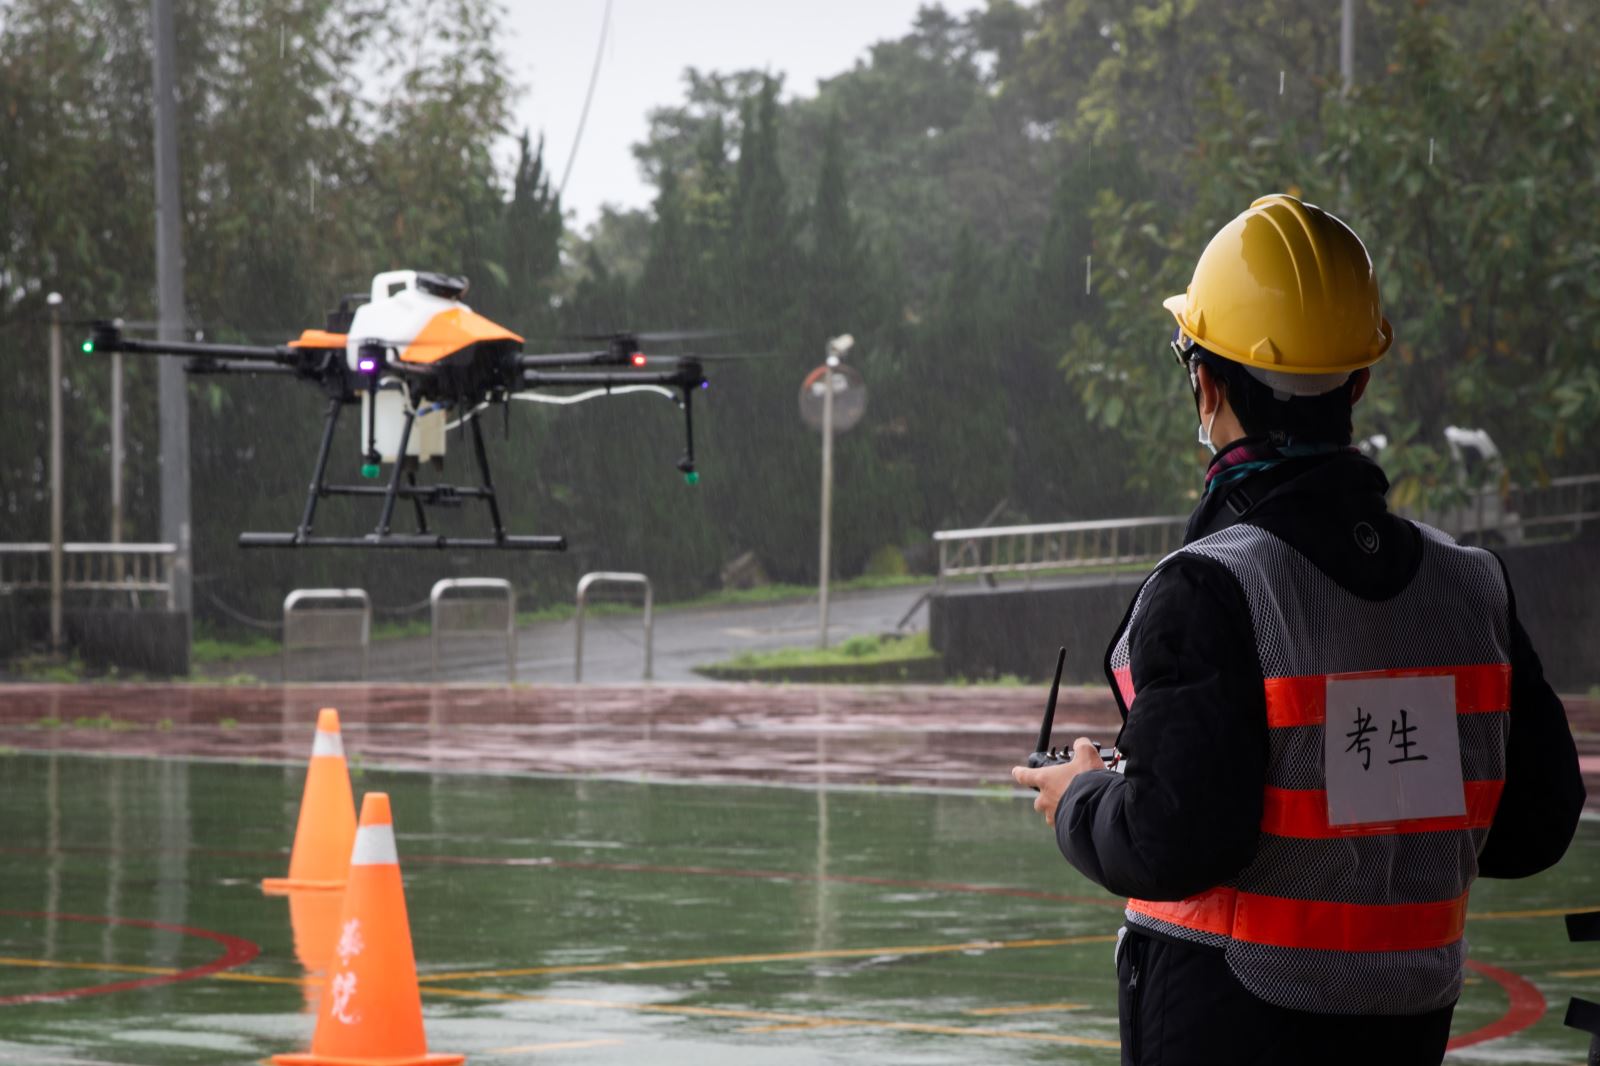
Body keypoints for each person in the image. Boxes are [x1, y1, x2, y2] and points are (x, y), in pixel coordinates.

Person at [1011, 193, 1586, 1066]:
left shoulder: (1211, 588)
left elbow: (1173, 842)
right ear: (1358, 381)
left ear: (1205, 384)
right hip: (1405, 1024)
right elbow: (1535, 822)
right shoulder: (1472, 589)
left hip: (1227, 1020)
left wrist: (1082, 800)